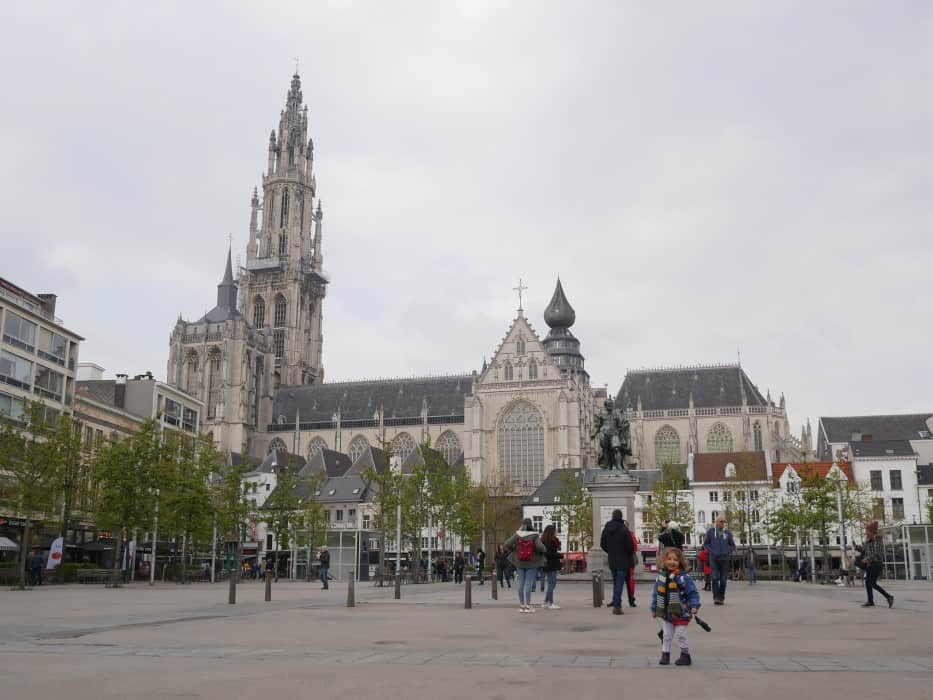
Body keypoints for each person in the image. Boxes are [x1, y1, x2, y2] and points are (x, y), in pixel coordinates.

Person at [651, 546, 701, 666]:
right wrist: (654, 608)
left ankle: (685, 655)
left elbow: (693, 593)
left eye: (675, 560)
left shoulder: (684, 577)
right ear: (663, 560)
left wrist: (694, 605)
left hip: (682, 611)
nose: (672, 562)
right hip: (667, 612)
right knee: (667, 635)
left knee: (680, 634)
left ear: (680, 562)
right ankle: (665, 655)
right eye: (669, 559)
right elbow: (656, 594)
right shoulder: (661, 577)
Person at [504, 518, 546, 613]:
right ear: (531, 525)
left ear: (522, 525)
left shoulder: (518, 534)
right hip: (532, 563)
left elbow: (506, 544)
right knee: (528, 583)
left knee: (520, 583)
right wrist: (542, 550)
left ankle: (522, 605)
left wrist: (514, 550)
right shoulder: (534, 535)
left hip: (520, 563)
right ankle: (528, 605)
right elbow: (540, 547)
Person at [600, 509, 636, 615]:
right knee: (619, 583)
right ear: (621, 517)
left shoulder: (606, 528)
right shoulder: (624, 529)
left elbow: (603, 544)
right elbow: (630, 547)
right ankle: (617, 606)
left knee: (616, 582)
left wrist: (610, 551)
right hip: (623, 560)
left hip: (612, 559)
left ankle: (616, 602)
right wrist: (625, 553)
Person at [854, 520, 893, 608]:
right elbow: (865, 551)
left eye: (867, 531)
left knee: (871, 583)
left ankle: (888, 596)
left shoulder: (877, 540)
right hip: (870, 565)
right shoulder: (868, 539)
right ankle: (871, 601)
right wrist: (858, 548)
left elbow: (876, 553)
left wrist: (866, 559)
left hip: (876, 564)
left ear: (871, 531)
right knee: (869, 582)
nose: (866, 533)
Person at [704, 514, 735, 605]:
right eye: (721, 521)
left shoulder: (728, 533)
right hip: (714, 559)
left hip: (724, 559)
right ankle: (716, 597)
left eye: (724, 522)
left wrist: (727, 551)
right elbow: (705, 544)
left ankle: (721, 597)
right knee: (714, 578)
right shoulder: (710, 532)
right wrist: (712, 551)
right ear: (716, 522)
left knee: (723, 579)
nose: (723, 523)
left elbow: (732, 546)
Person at [541, 524, 562, 610]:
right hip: (551, 565)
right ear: (551, 532)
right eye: (555, 531)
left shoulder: (545, 541)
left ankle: (546, 601)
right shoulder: (550, 542)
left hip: (548, 565)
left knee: (551, 584)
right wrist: (559, 555)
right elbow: (549, 554)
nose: (556, 532)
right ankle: (550, 603)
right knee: (551, 584)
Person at [627, 526, 639, 607]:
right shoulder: (631, 534)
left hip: (619, 559)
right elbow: (635, 546)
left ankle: (616, 600)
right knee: (630, 579)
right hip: (630, 559)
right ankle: (631, 598)